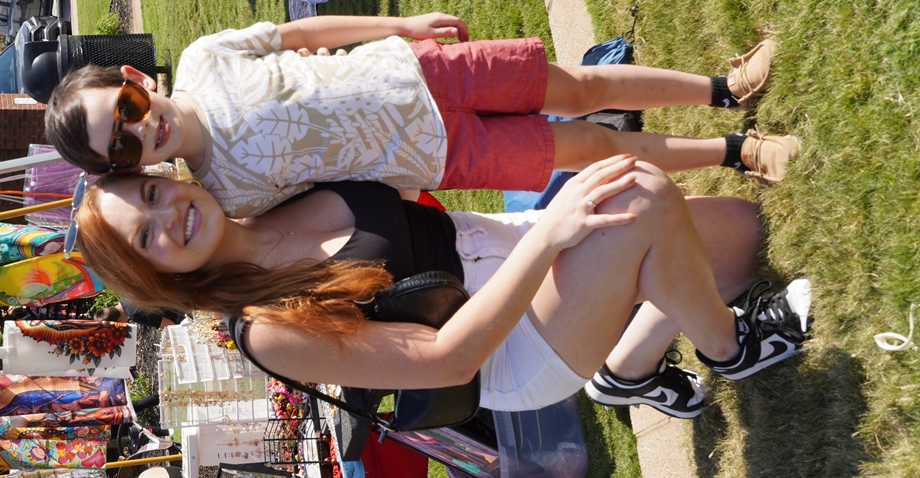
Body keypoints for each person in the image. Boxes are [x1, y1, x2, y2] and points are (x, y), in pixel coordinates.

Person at [71, 156, 812, 418]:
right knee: (643, 201)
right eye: (146, 238)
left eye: (152, 194)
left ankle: (628, 371)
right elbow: (448, 360)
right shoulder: (265, 329)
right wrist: (553, 238)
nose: (169, 218)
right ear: (155, 277)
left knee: (739, 240)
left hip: (507, 241)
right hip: (505, 348)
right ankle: (734, 348)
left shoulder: (262, 188)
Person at [44, 13, 798, 219]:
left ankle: (723, 87)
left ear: (134, 79)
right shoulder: (228, 195)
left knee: (578, 86)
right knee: (593, 149)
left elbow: (303, 36)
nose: (141, 131)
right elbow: (335, 206)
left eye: (127, 110)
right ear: (129, 169)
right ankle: (738, 152)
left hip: (422, 71)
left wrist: (399, 25)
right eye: (124, 149)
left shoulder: (206, 58)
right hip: (442, 157)